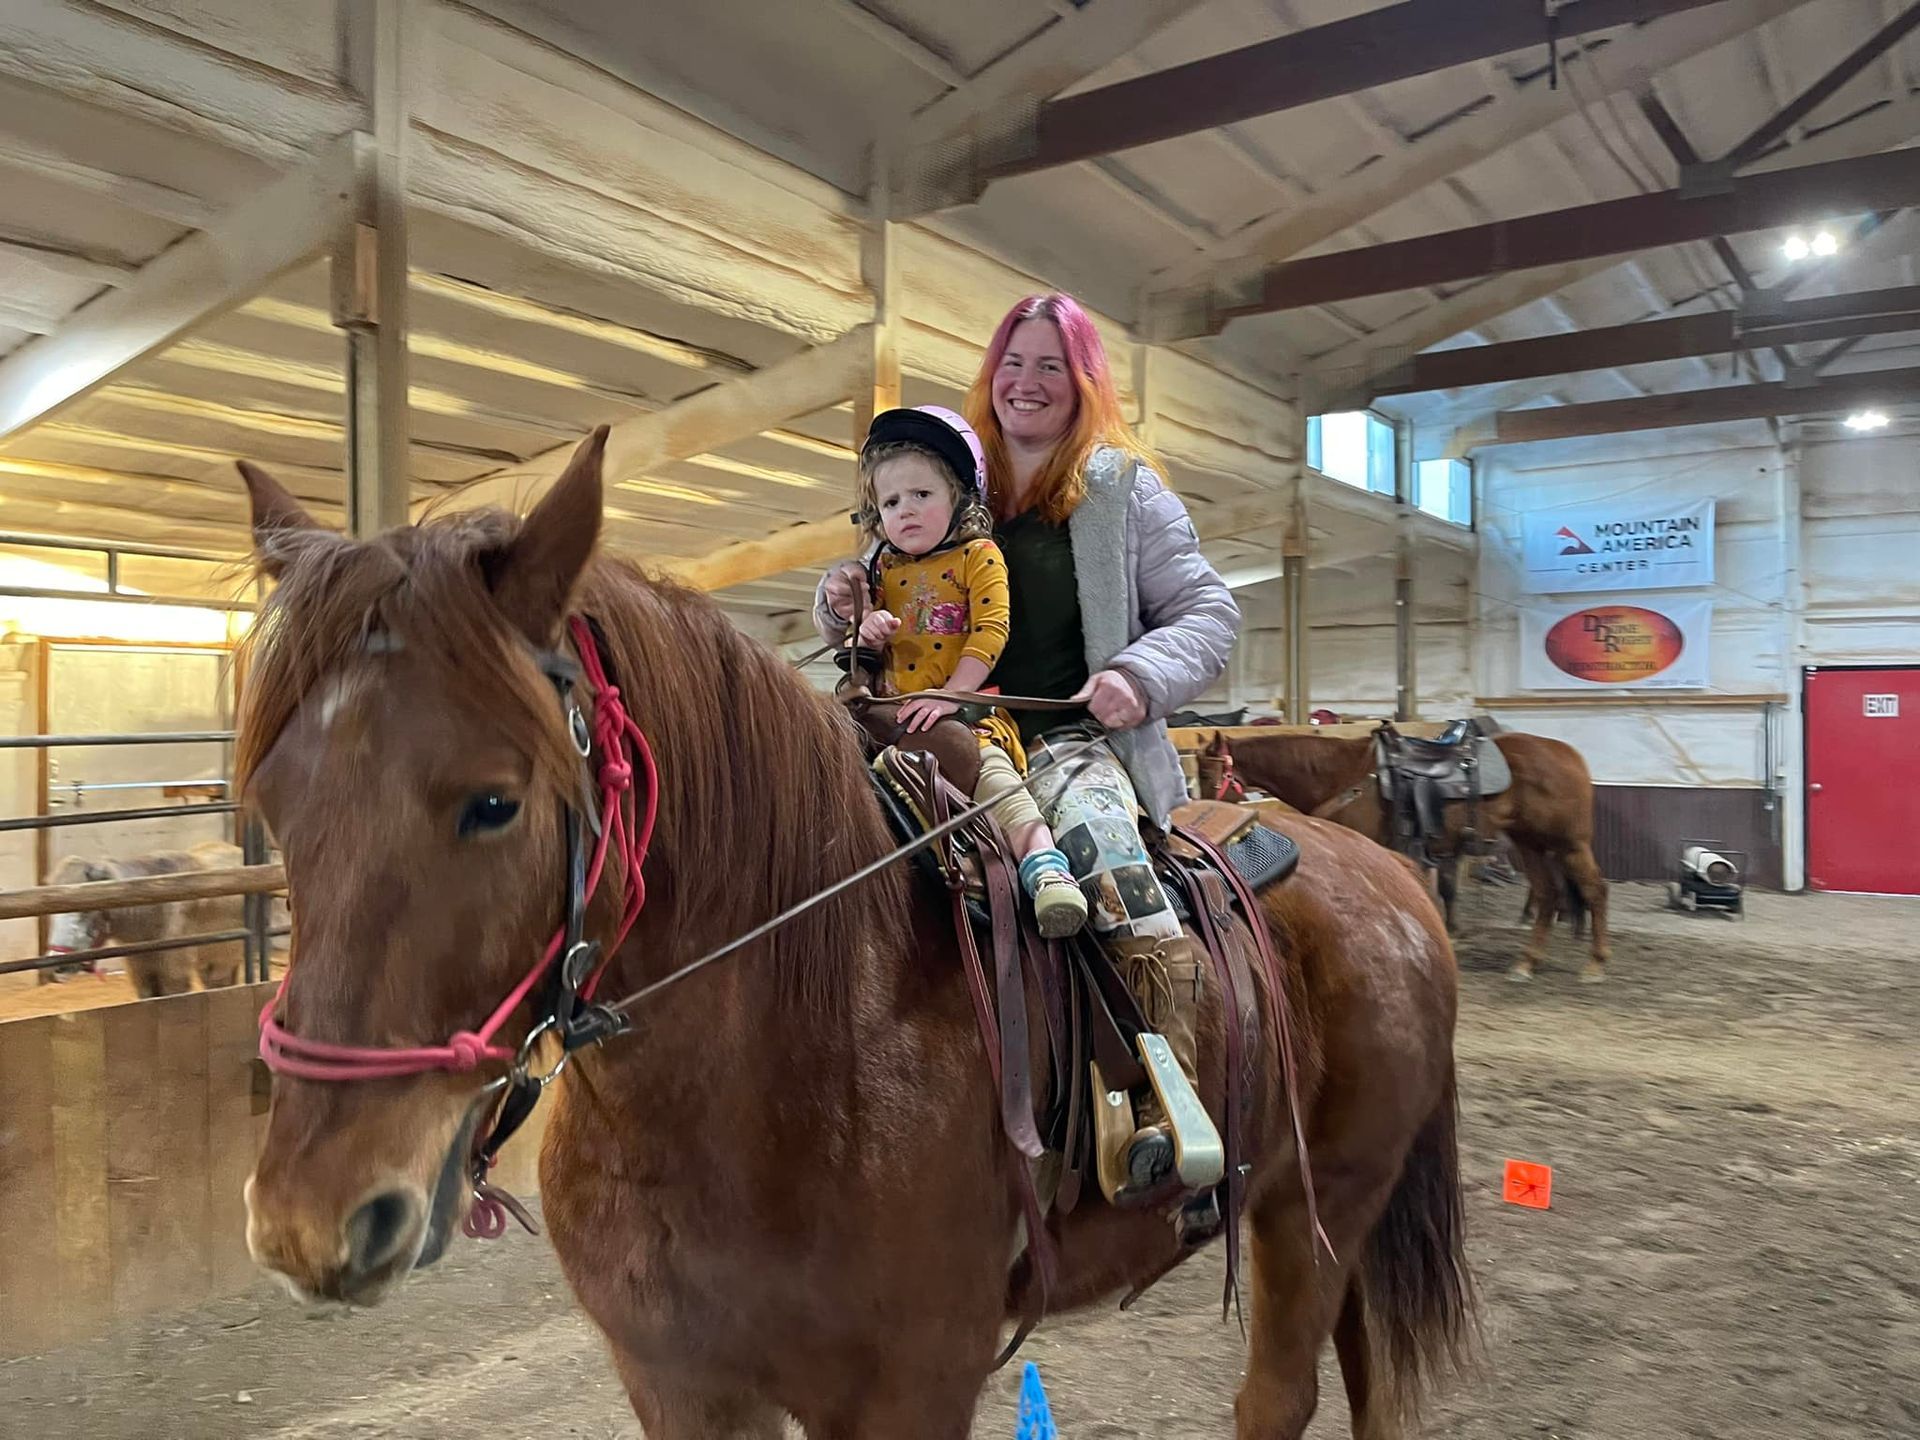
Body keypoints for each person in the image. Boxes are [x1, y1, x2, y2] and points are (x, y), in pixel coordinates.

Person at [817, 294, 1241, 1195]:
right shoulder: (939, 472)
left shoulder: (1123, 489)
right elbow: (882, 584)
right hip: (917, 727)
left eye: (1052, 365)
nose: (1027, 382)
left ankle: (1169, 1096)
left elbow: (1211, 612)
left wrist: (1139, 674)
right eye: (1014, 361)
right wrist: (844, 605)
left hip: (1064, 738)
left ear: (1084, 382)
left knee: (1111, 866)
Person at [842, 404, 1088, 939]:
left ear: (957, 496)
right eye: (890, 501)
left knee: (991, 776)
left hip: (963, 713)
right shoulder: (882, 569)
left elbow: (991, 629)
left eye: (921, 495)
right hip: (890, 718)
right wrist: (867, 634)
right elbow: (859, 651)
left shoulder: (979, 556)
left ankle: (1042, 861)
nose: (905, 510)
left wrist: (954, 695)